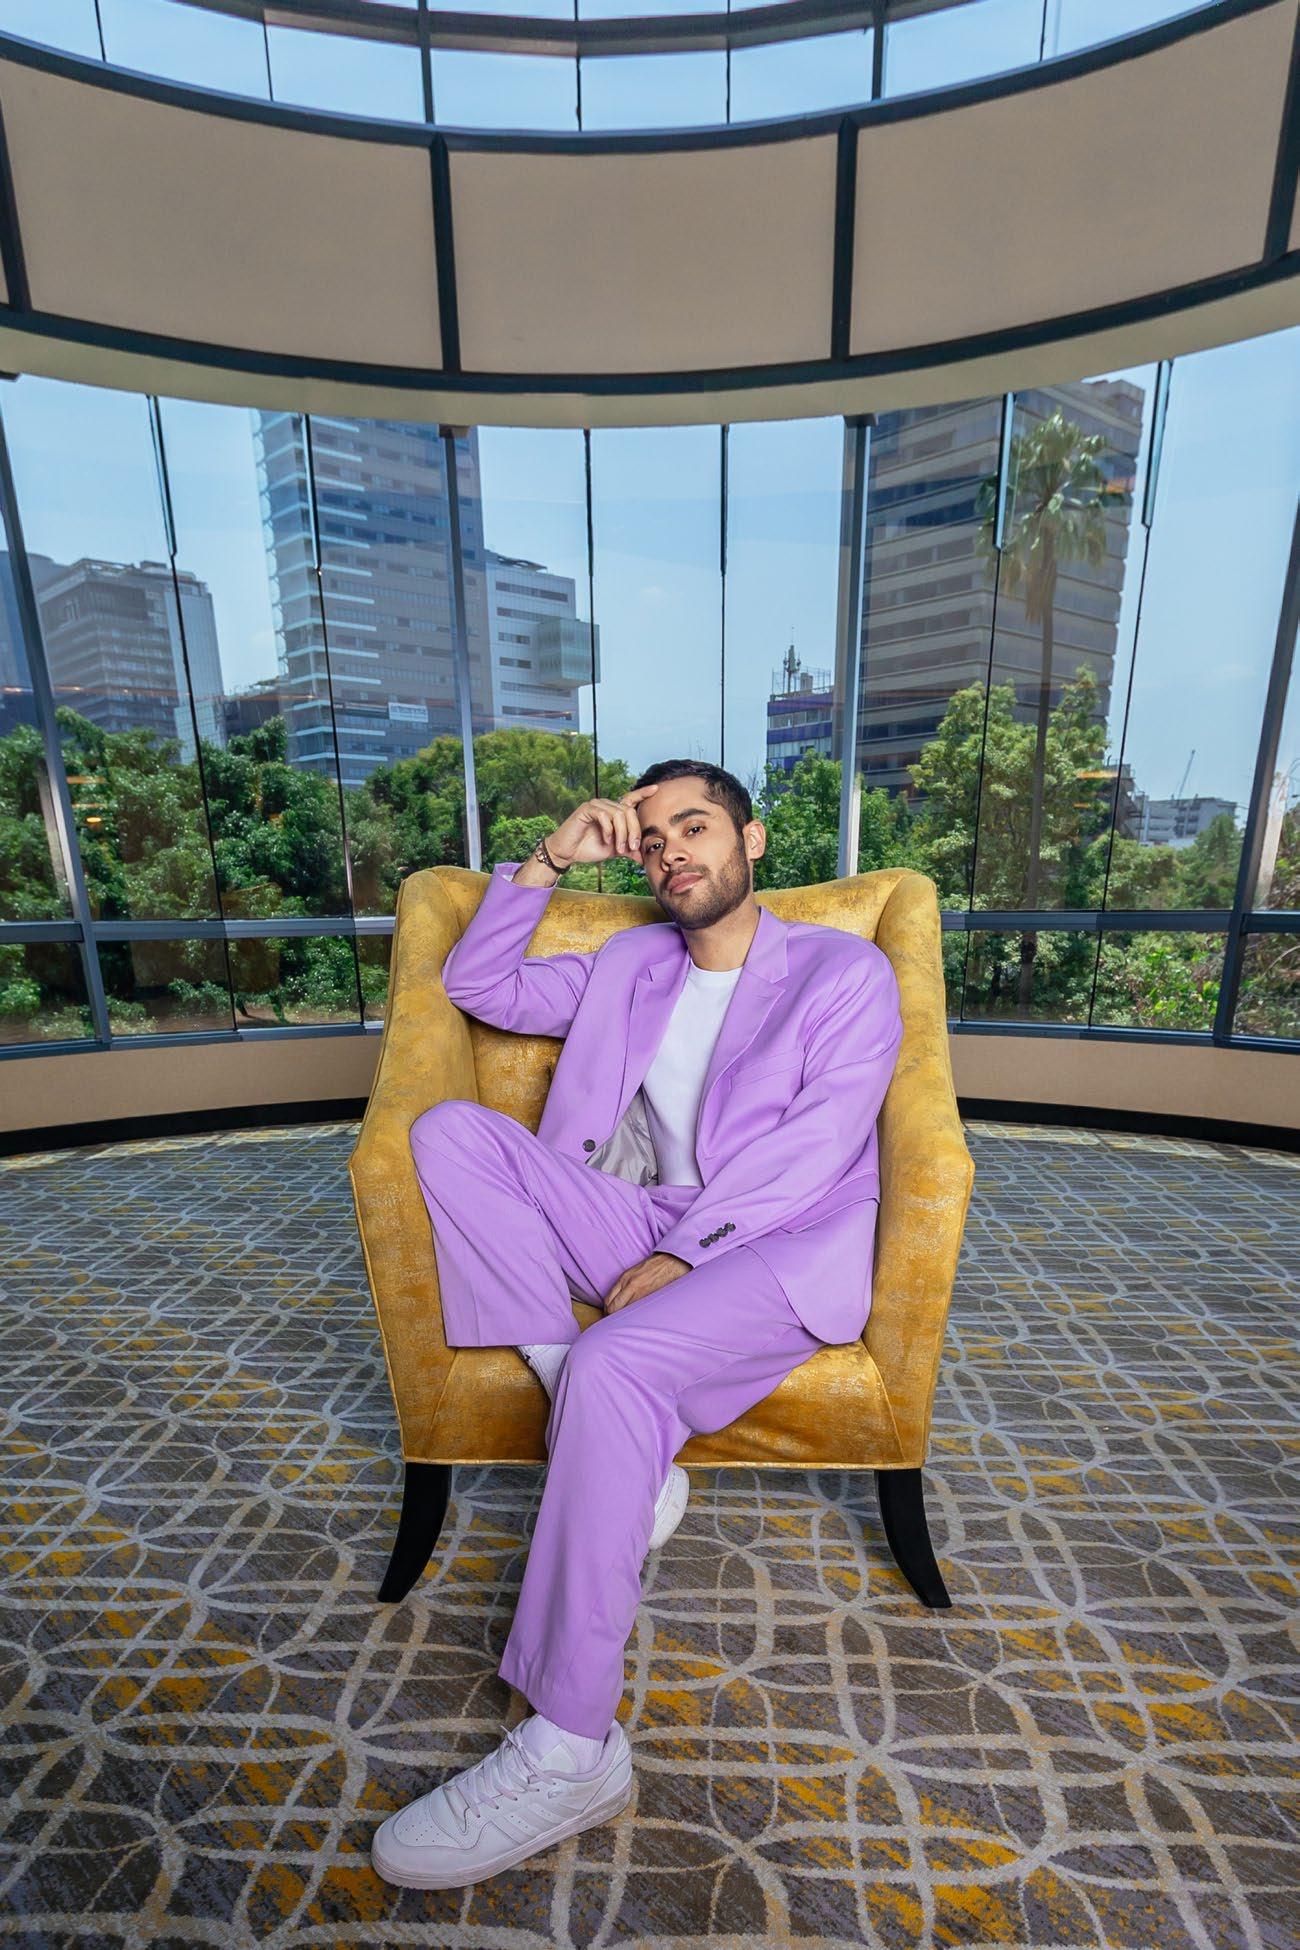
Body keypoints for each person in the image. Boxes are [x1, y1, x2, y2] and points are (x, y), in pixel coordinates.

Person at [371, 760, 903, 1891]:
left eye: (695, 827)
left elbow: (819, 1145)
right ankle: (565, 1371)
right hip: (640, 1213)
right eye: (653, 838)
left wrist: (684, 1255)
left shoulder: (842, 971)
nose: (671, 853)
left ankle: (571, 1748)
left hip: (780, 1239)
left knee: (621, 1365)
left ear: (753, 842)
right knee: (453, 1134)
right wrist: (550, 857)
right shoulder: (630, 962)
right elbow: (479, 984)